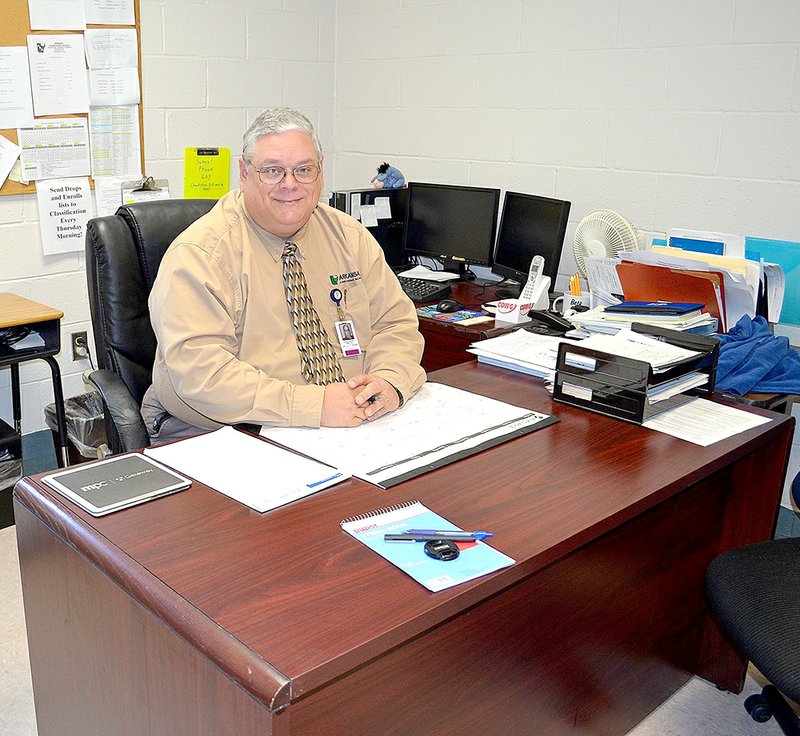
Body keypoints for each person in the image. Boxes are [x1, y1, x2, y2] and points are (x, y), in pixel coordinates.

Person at [141, 107, 426, 443]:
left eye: (303, 170)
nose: (290, 185)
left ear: (320, 173)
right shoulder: (200, 254)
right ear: (244, 173)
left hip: (349, 427)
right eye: (273, 171)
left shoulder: (349, 236)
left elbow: (395, 325)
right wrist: (314, 406)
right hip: (220, 432)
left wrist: (388, 381)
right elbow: (202, 373)